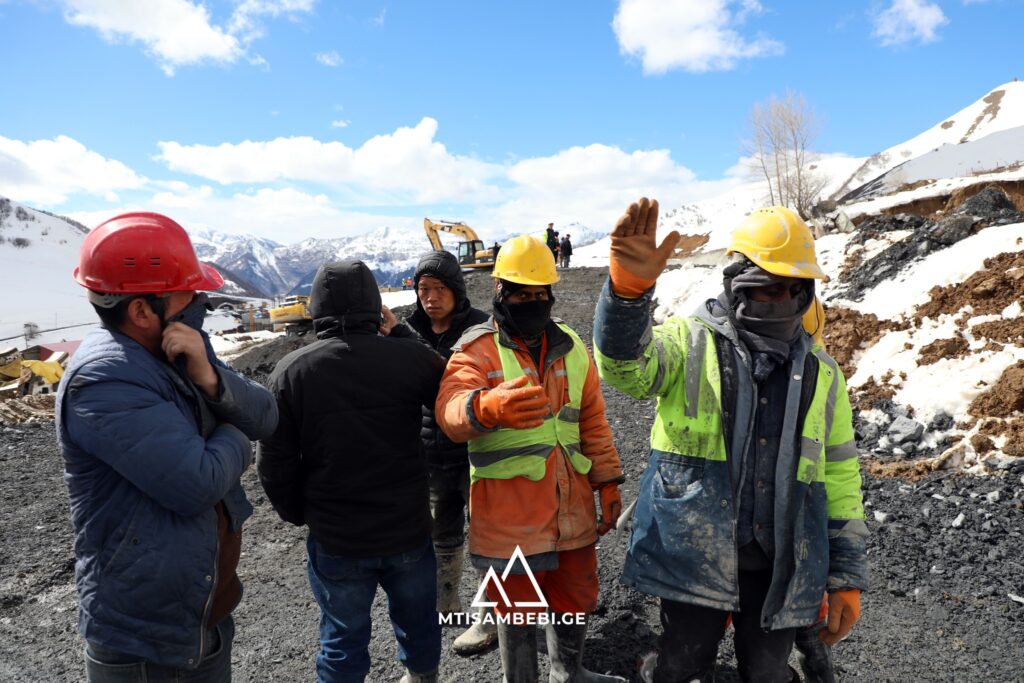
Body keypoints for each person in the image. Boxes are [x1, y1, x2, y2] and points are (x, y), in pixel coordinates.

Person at [593, 199, 868, 683]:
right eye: (764, 288)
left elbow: (841, 473)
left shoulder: (823, 374)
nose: (777, 299)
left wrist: (845, 575)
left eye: (789, 288)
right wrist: (627, 295)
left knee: (767, 674)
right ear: (735, 282)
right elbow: (625, 369)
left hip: (780, 562)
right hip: (691, 554)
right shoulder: (689, 341)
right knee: (680, 666)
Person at [56, 211, 278, 682]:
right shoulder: (104, 379)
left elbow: (267, 415)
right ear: (141, 311)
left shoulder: (175, 350)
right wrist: (235, 429)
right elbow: (198, 482)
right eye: (189, 295)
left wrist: (211, 379)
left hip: (198, 618)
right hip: (146, 644)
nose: (199, 303)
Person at [436, 234, 627, 683]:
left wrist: (609, 481)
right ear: (500, 292)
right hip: (511, 517)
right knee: (516, 609)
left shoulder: (572, 347)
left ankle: (570, 671)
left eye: (540, 293)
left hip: (571, 506)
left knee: (575, 597)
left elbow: (593, 422)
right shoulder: (476, 350)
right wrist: (484, 408)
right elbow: (450, 410)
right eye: (521, 293)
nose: (531, 301)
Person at [257, 259, 445, 683]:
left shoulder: (292, 371)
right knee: (419, 624)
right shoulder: (409, 358)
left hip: (337, 535)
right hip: (408, 528)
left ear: (316, 307)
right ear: (375, 306)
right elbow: (451, 389)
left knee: (342, 639)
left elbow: (273, 461)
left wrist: (299, 513)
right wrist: (400, 333)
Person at [404, 250, 496, 655]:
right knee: (441, 533)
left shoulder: (480, 330)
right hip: (430, 454)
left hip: (475, 452)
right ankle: (447, 605)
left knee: (487, 535)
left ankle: (489, 617)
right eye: (423, 289)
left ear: (456, 291)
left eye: (439, 288)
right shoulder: (409, 327)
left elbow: (448, 378)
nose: (430, 297)